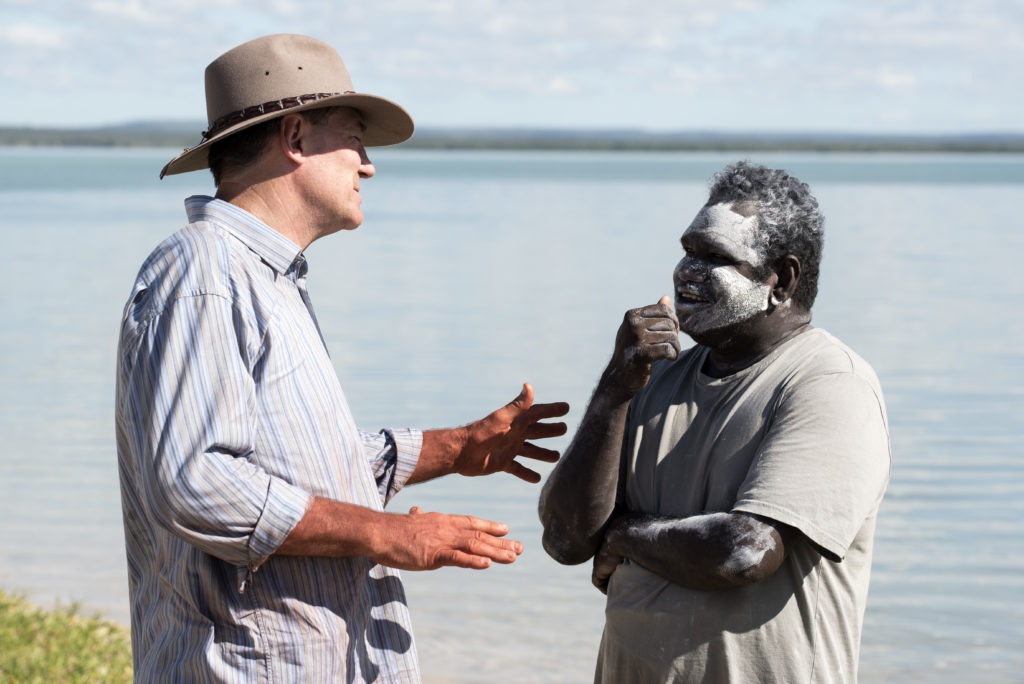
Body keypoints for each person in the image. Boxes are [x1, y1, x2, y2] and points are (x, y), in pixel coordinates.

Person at [115, 34, 569, 682]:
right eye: (354, 136)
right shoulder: (203, 271)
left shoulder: (264, 278)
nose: (367, 164)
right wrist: (389, 534)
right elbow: (198, 482)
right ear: (295, 138)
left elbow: (291, 466)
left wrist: (455, 448)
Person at [538, 161, 890, 683]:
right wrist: (615, 387)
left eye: (714, 257)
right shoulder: (654, 377)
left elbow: (745, 552)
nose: (687, 271)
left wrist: (625, 534)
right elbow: (566, 540)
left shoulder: (830, 384)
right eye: (687, 250)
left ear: (782, 279)